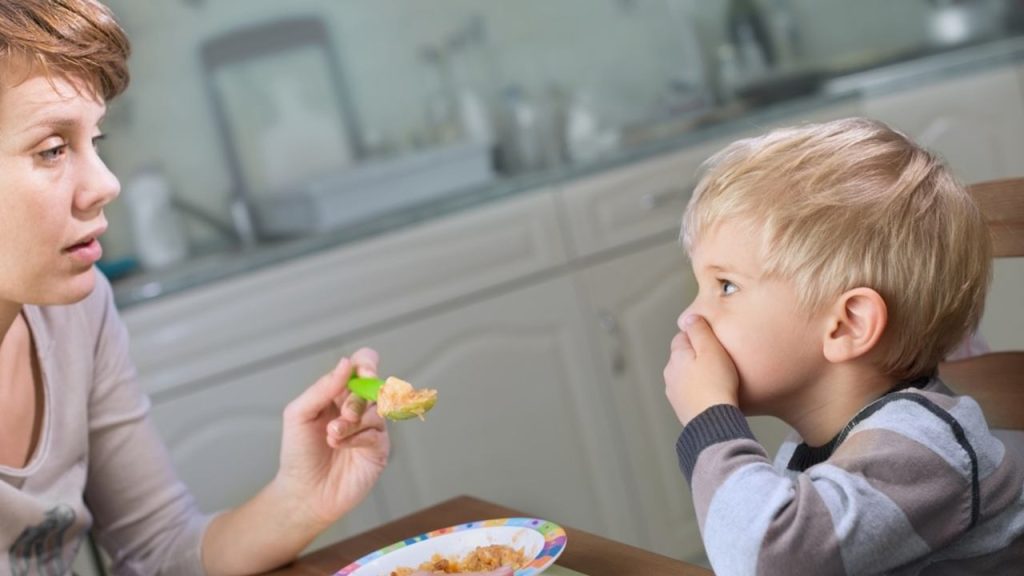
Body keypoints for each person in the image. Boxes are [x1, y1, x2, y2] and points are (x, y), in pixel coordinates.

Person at [663, 117, 1024, 574]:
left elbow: (769, 561)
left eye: (726, 286)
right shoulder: (825, 443)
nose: (689, 317)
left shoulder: (923, 449)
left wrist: (708, 418)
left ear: (848, 325)